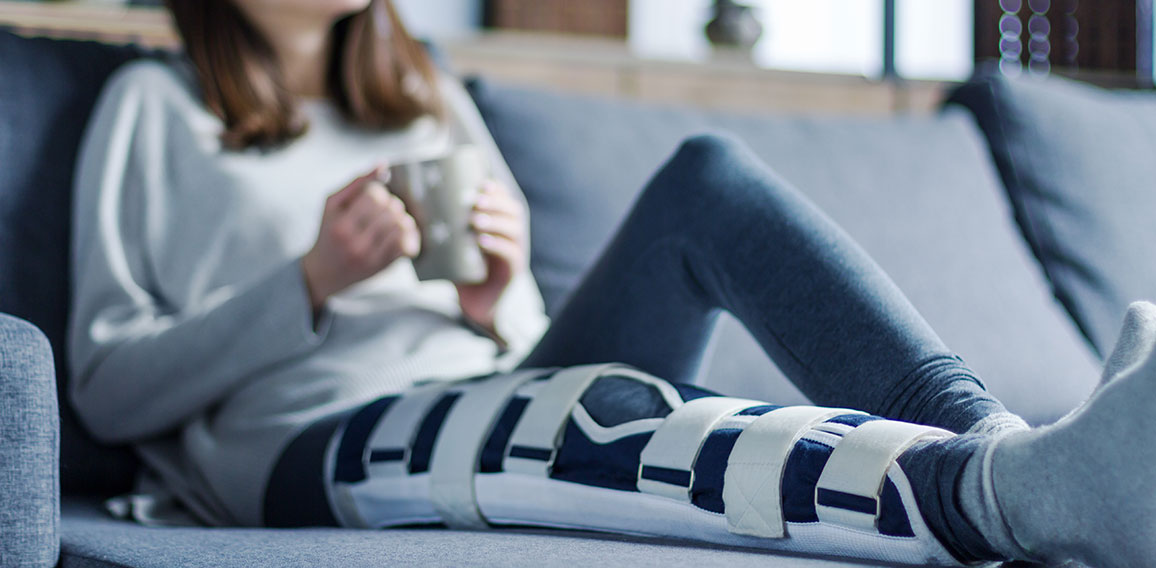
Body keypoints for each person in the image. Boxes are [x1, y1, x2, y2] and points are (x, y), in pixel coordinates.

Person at [66, 0, 1156, 566]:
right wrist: (309, 281)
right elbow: (108, 385)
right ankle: (1009, 496)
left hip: (487, 390)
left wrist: (500, 298)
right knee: (596, 413)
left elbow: (517, 344)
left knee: (707, 179)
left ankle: (1003, 441)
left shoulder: (423, 101)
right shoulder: (155, 112)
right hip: (316, 436)